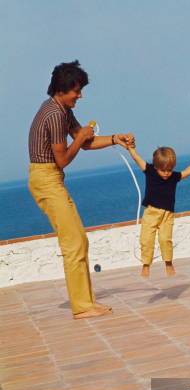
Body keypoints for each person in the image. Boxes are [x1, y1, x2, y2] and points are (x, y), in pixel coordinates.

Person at [28, 60, 134, 319]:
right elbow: (63, 158)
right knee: (73, 242)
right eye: (77, 90)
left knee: (79, 240)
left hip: (52, 179)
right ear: (62, 89)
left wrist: (113, 139)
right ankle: (82, 306)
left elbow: (85, 143)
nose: (80, 95)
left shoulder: (62, 110)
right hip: (45, 178)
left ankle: (86, 302)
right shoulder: (54, 114)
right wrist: (79, 137)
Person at [127, 145, 190, 277]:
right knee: (146, 239)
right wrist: (131, 149)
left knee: (165, 239)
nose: (167, 173)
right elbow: (137, 158)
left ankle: (168, 262)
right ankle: (146, 264)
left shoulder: (173, 176)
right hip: (151, 212)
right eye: (163, 170)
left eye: (170, 169)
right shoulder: (150, 171)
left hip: (167, 214)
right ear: (156, 166)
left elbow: (187, 172)